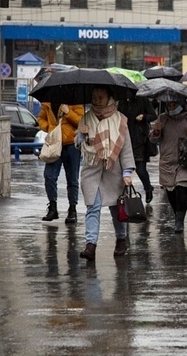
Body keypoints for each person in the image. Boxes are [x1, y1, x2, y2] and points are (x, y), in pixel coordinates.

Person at [75, 86, 136, 261]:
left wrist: (127, 172)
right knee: (92, 207)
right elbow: (79, 145)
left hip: (113, 170)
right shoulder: (86, 117)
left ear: (109, 98)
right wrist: (81, 135)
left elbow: (126, 149)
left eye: (100, 97)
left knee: (117, 209)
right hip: (92, 170)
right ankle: (90, 245)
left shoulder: (120, 120)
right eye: (94, 97)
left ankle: (121, 239)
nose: (96, 101)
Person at [149, 99, 187, 233]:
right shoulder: (162, 118)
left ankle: (179, 220)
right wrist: (156, 132)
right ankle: (176, 214)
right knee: (171, 191)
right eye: (169, 104)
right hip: (167, 160)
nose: (171, 107)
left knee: (181, 188)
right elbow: (153, 139)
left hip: (186, 159)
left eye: (174, 104)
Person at [38, 102, 84, 223]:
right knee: (49, 176)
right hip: (54, 144)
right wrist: (48, 127)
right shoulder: (47, 103)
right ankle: (52, 207)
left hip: (71, 144)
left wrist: (68, 112)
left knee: (72, 179)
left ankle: (72, 209)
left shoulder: (74, 101)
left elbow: (81, 121)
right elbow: (41, 118)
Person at [118, 97, 158, 203]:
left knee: (140, 169)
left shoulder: (143, 100)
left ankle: (148, 188)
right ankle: (125, 195)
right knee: (124, 170)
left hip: (140, 140)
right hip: (124, 138)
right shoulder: (121, 102)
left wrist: (144, 117)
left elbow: (153, 115)